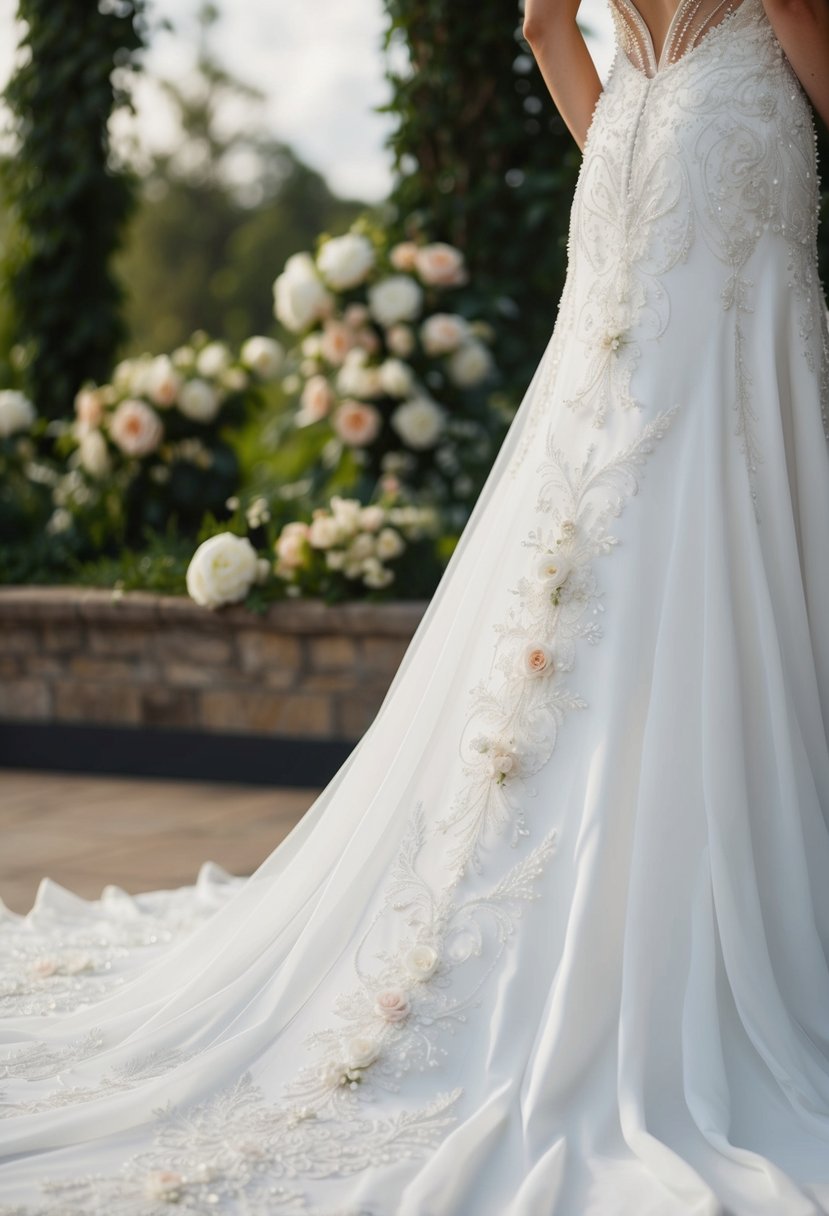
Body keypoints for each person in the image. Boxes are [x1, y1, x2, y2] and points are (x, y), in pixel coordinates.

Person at [1, 0, 829, 1211]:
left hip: (634, 162)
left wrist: (640, 145)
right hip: (711, 181)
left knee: (600, 559)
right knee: (709, 530)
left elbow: (549, 27)